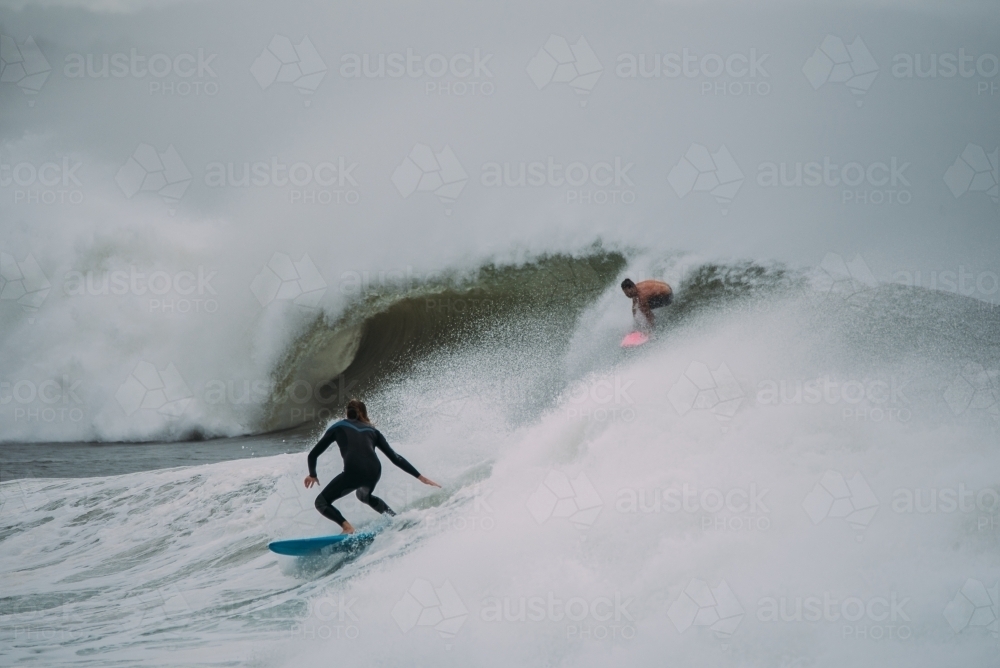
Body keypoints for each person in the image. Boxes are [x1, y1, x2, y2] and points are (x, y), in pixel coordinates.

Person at [304, 399, 440, 534]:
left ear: (347, 412)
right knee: (364, 496)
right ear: (364, 413)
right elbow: (395, 458)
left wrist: (313, 474)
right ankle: (395, 518)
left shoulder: (338, 426)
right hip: (374, 472)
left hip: (353, 472)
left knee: (321, 502)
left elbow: (313, 455)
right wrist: (420, 477)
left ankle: (347, 527)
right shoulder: (373, 431)